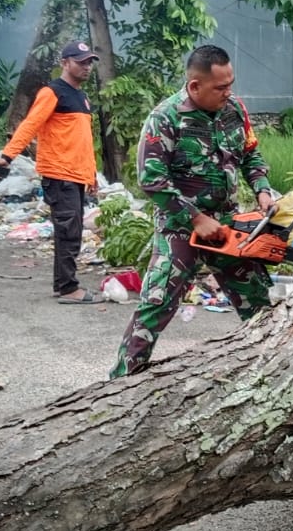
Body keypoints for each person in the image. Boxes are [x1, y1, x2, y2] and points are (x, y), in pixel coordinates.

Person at [111, 45, 277, 378]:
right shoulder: (165, 118)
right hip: (181, 227)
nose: (228, 92)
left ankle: (271, 373)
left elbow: (250, 155)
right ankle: (121, 382)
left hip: (226, 226)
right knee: (156, 303)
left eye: (230, 84)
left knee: (259, 303)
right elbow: (152, 181)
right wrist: (196, 219)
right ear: (195, 86)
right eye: (220, 87)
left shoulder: (234, 110)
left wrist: (262, 189)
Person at [0, 40, 101, 303]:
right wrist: (8, 155)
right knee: (68, 232)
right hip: (60, 173)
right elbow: (30, 124)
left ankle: (64, 284)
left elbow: (83, 139)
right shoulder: (52, 92)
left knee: (72, 231)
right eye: (81, 62)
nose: (86, 67)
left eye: (89, 62)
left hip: (77, 174)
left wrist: (91, 173)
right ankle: (69, 289)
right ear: (64, 63)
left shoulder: (81, 97)